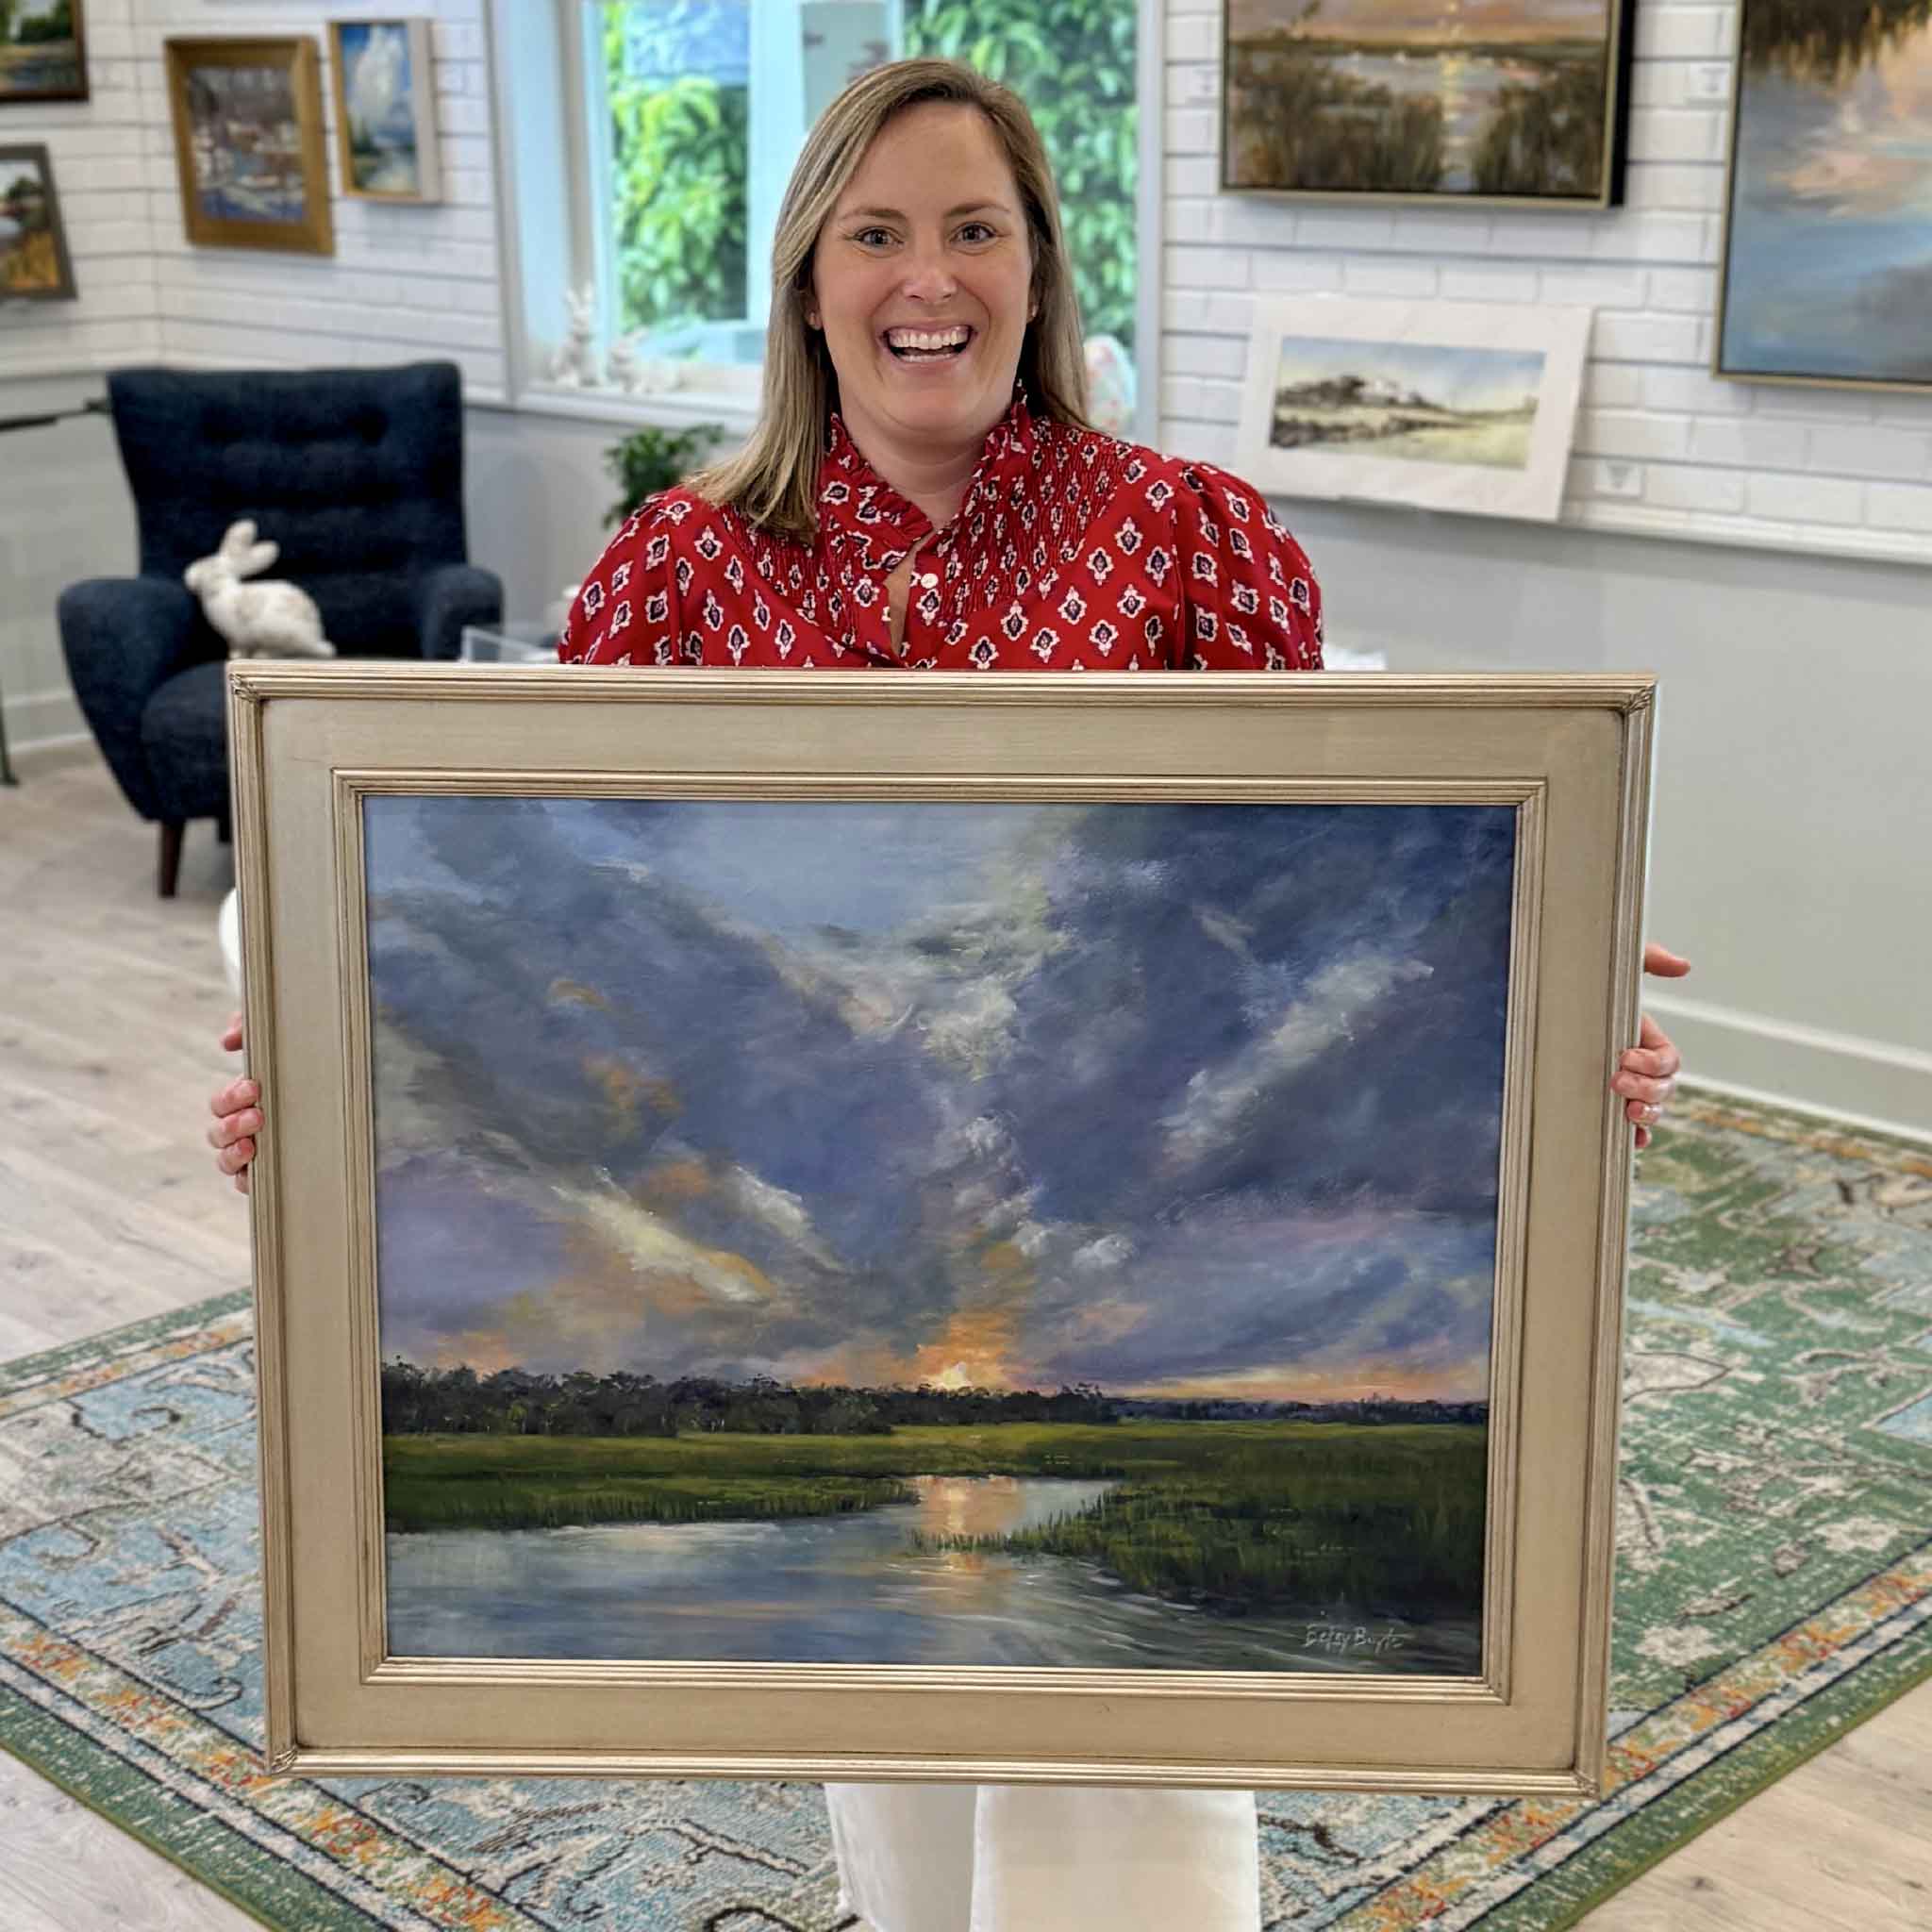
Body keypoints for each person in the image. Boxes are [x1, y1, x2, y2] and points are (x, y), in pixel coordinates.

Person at [208, 58, 1688, 1932]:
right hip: (800, 1269)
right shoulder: (677, 570)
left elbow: (1325, 904)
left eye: (975, 230)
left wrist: (1531, 1002)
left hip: (1129, 1239)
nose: (930, 277)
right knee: (893, 1765)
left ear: (1041, 271)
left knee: (1142, 1826)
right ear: (811, 283)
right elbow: (551, 942)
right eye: (878, 232)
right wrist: (337, 1086)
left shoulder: (1192, 540)